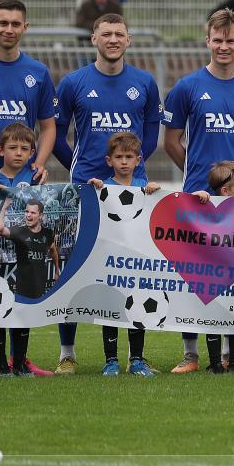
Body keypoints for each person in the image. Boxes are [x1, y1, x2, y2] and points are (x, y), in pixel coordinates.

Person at [52, 12, 161, 375]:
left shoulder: (145, 83)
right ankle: (68, 353)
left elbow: (150, 138)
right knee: (76, 270)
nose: (113, 39)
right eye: (106, 33)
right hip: (86, 193)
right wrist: (79, 169)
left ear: (128, 40)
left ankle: (135, 357)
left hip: (131, 195)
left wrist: (130, 171)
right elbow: (58, 133)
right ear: (93, 39)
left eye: (119, 34)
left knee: (132, 273)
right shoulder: (73, 83)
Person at [163, 8, 234, 374]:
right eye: (218, 40)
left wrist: (232, 181)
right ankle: (191, 354)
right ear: (207, 40)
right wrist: (200, 178)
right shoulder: (188, 87)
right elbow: (171, 141)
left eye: (231, 40)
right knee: (195, 276)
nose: (224, 46)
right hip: (198, 198)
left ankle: (231, 356)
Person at [86, 132, 160, 378]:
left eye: (129, 157)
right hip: (112, 261)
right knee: (112, 308)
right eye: (119, 157)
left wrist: (155, 193)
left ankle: (137, 360)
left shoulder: (145, 188)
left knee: (139, 305)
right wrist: (96, 190)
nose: (124, 162)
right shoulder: (103, 187)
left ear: (138, 160)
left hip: (138, 261)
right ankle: (111, 361)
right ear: (109, 161)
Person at [185, 161, 234, 374]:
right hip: (211, 275)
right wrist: (197, 196)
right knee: (213, 316)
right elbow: (186, 209)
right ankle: (215, 364)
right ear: (225, 191)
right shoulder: (206, 205)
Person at [0, 123, 55, 377]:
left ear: (32, 153)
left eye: (25, 148)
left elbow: (46, 213)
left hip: (25, 259)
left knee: (22, 310)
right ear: (0, 150)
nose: (18, 152)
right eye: (12, 147)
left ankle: (18, 363)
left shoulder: (34, 180)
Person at [0, 0, 56, 185]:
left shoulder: (38, 72)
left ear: (25, 27)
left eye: (16, 24)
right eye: (3, 23)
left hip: (22, 180)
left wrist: (39, 163)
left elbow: (48, 127)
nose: (9, 30)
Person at [0, 196, 59, 376]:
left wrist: (58, 270)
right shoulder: (20, 231)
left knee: (24, 325)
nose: (28, 215)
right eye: (26, 212)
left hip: (36, 286)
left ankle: (19, 366)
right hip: (17, 285)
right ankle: (2, 367)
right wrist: (5, 207)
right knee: (4, 322)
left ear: (41, 215)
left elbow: (53, 248)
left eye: (32, 212)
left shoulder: (48, 233)